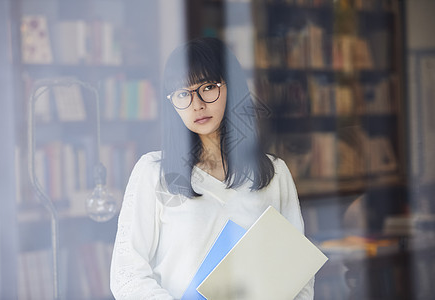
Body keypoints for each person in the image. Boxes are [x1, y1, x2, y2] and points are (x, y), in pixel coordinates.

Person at [110, 37, 314, 299]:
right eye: (183, 94)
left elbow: (299, 275)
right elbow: (127, 275)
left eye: (208, 87)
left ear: (233, 88)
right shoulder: (153, 173)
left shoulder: (274, 174)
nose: (197, 104)